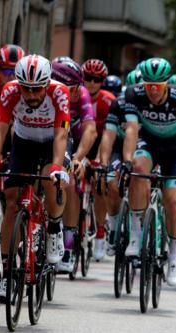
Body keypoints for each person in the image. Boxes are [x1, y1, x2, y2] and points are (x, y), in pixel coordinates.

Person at [0, 54, 71, 302]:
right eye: (26, 89)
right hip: (24, 142)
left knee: (49, 180)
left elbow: (62, 136)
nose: (31, 95)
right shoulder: (10, 91)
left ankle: (53, 227)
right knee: (11, 200)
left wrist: (56, 167)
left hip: (54, 140)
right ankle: (8, 275)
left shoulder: (60, 92)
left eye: (37, 89)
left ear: (47, 83)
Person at [115, 57, 176, 286]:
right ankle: (137, 235)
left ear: (167, 83)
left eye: (158, 86)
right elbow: (130, 130)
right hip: (148, 142)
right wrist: (127, 160)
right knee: (138, 170)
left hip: (173, 149)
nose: (153, 90)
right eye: (149, 85)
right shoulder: (133, 93)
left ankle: (174, 257)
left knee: (173, 199)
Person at [51, 58, 98, 271]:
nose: (80, 91)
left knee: (70, 182)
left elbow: (91, 130)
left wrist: (79, 157)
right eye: (75, 87)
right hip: (54, 137)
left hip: (76, 141)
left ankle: (69, 243)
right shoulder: (47, 93)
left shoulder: (82, 96)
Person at [81, 59, 117, 260]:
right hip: (83, 140)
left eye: (97, 79)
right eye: (88, 78)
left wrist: (98, 160)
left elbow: (108, 135)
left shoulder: (108, 100)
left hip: (104, 142)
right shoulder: (77, 95)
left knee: (100, 185)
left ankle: (101, 234)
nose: (92, 83)